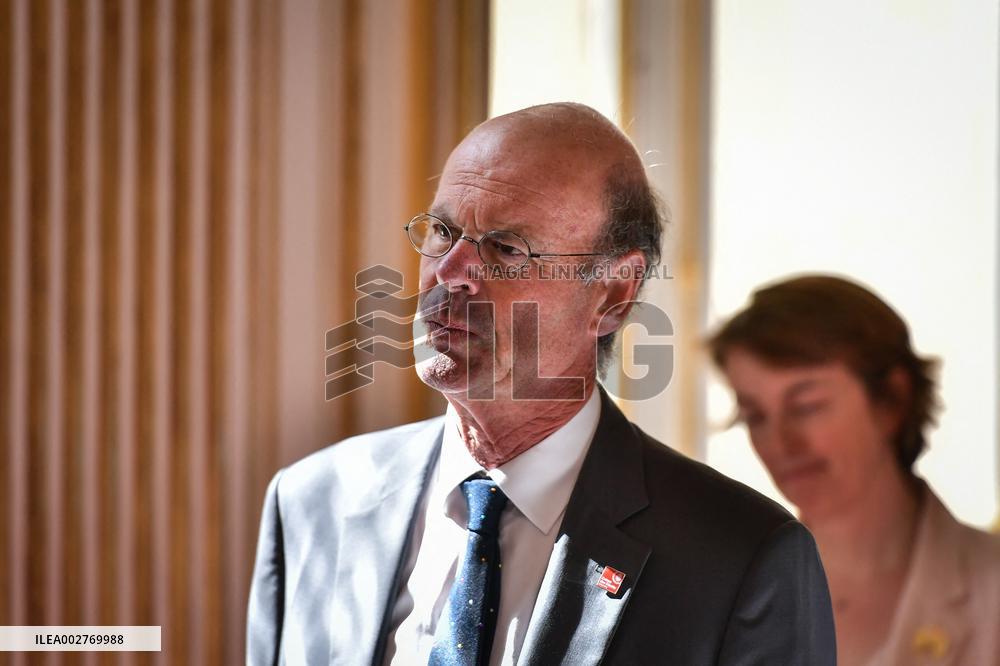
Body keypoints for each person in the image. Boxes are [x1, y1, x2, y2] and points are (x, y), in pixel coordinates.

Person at [246, 103, 836, 665]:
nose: (450, 272)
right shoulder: (311, 505)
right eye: (442, 231)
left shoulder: (739, 561)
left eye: (505, 248)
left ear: (613, 294)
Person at [709, 275, 1000, 666]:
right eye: (755, 416)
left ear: (892, 400)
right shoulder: (724, 593)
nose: (780, 443)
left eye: (806, 406)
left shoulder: (991, 590)